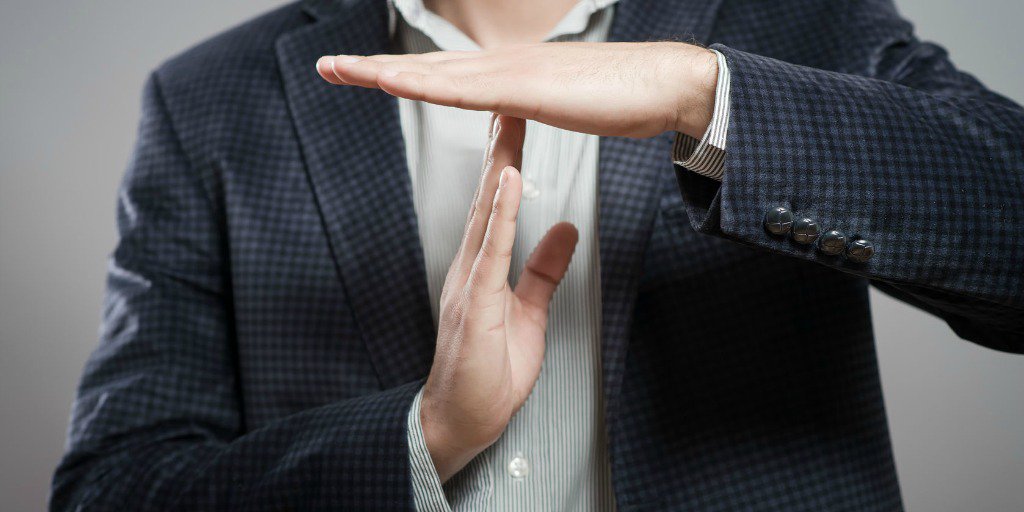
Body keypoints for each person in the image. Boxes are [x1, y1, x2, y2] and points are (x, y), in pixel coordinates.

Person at [51, 0, 1024, 510]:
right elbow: (112, 491)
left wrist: (706, 96)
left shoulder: (793, 21)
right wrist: (426, 435)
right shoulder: (209, 99)